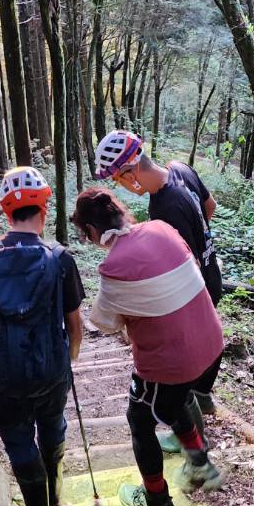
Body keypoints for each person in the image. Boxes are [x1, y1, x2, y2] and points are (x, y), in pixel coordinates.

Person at [71, 187, 225, 506]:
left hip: (171, 361)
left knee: (140, 420)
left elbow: (105, 323)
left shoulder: (114, 266)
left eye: (85, 235)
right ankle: (200, 464)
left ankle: (156, 501)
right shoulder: (161, 228)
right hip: (210, 342)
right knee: (177, 397)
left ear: (92, 231)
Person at [0, 166, 85, 506]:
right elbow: (76, 323)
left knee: (18, 440)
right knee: (52, 426)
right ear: (44, 209)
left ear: (6, 210)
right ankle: (54, 496)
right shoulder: (60, 257)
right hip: (50, 368)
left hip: (3, 371)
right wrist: (70, 358)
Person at [94, 129, 222, 451]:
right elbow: (210, 206)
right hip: (212, 277)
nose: (120, 187)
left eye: (118, 179)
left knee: (180, 373)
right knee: (192, 367)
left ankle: (194, 442)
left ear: (131, 171)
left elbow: (180, 268)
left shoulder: (167, 208)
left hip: (195, 294)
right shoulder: (179, 169)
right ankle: (198, 411)